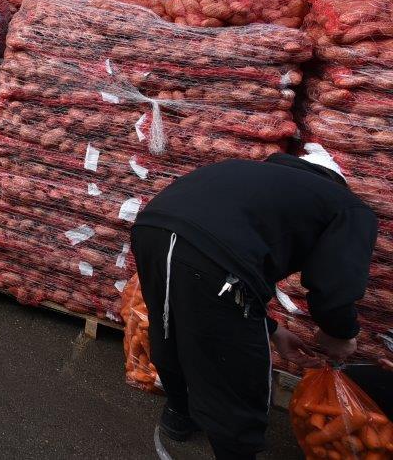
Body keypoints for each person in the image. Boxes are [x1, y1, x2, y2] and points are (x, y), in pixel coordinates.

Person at [132, 148, 377, 460]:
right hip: (210, 255)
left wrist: (273, 330)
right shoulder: (348, 207)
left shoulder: (248, 172)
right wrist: (340, 333)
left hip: (151, 230)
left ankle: (178, 415)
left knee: (171, 328)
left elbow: (238, 264)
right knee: (235, 367)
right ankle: (236, 451)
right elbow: (336, 284)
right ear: (336, 181)